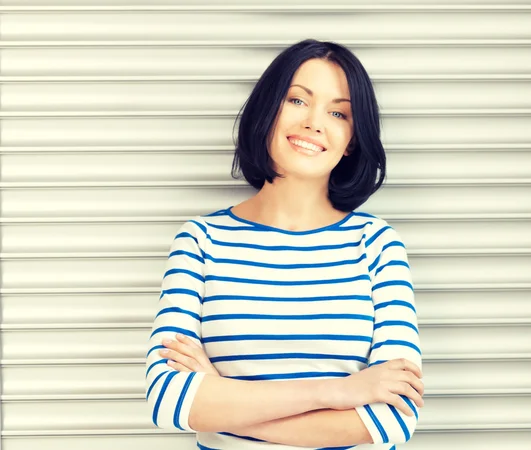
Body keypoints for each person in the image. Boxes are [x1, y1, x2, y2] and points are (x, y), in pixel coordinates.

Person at [145, 38, 425, 449]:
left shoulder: (377, 244)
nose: (314, 122)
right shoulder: (201, 241)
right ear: (267, 111)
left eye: (338, 112)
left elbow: (392, 420)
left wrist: (220, 397)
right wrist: (337, 392)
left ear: (351, 140)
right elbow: (168, 402)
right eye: (297, 100)